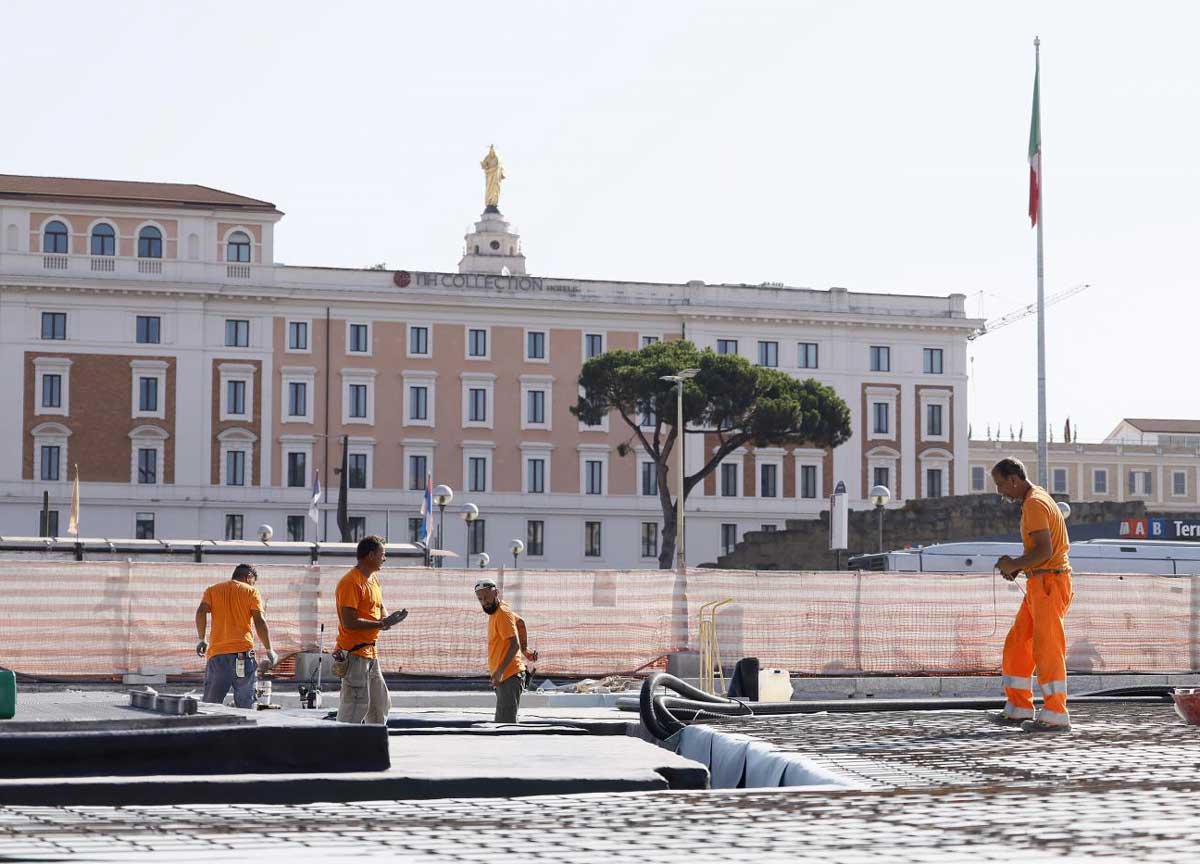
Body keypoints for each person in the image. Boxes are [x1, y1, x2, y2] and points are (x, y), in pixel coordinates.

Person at [989, 457, 1074, 733]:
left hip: (1049, 584)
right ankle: (1019, 708)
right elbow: (1040, 553)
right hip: (1041, 584)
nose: (1000, 491)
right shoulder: (1036, 500)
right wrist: (1019, 566)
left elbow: (1044, 551)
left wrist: (1014, 564)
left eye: (1001, 484)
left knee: (1047, 648)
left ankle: (1055, 713)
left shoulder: (1035, 504)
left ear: (1014, 479)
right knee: (1018, 643)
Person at [335, 535, 407, 724]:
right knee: (355, 706)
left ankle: (373, 745)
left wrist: (389, 619)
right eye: (383, 554)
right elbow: (349, 621)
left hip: (370, 654)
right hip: (354, 654)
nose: (385, 558)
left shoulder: (373, 580)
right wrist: (381, 624)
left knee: (380, 703)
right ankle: (342, 748)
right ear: (371, 555)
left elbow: (379, 607)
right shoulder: (351, 582)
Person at [195, 563, 277, 708]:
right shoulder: (251, 592)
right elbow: (259, 621)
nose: (253, 584)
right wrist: (269, 649)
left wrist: (202, 639)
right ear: (249, 577)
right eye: (253, 581)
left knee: (210, 706)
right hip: (244, 655)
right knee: (246, 706)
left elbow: (201, 611)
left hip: (217, 655)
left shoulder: (212, 590)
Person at [474, 578, 538, 723]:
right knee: (504, 724)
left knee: (505, 727)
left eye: (487, 597)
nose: (484, 602)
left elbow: (513, 644)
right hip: (506, 677)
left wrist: (500, 671)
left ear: (496, 593)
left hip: (509, 676)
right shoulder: (499, 611)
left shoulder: (502, 613)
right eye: (480, 599)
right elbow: (520, 622)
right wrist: (525, 650)